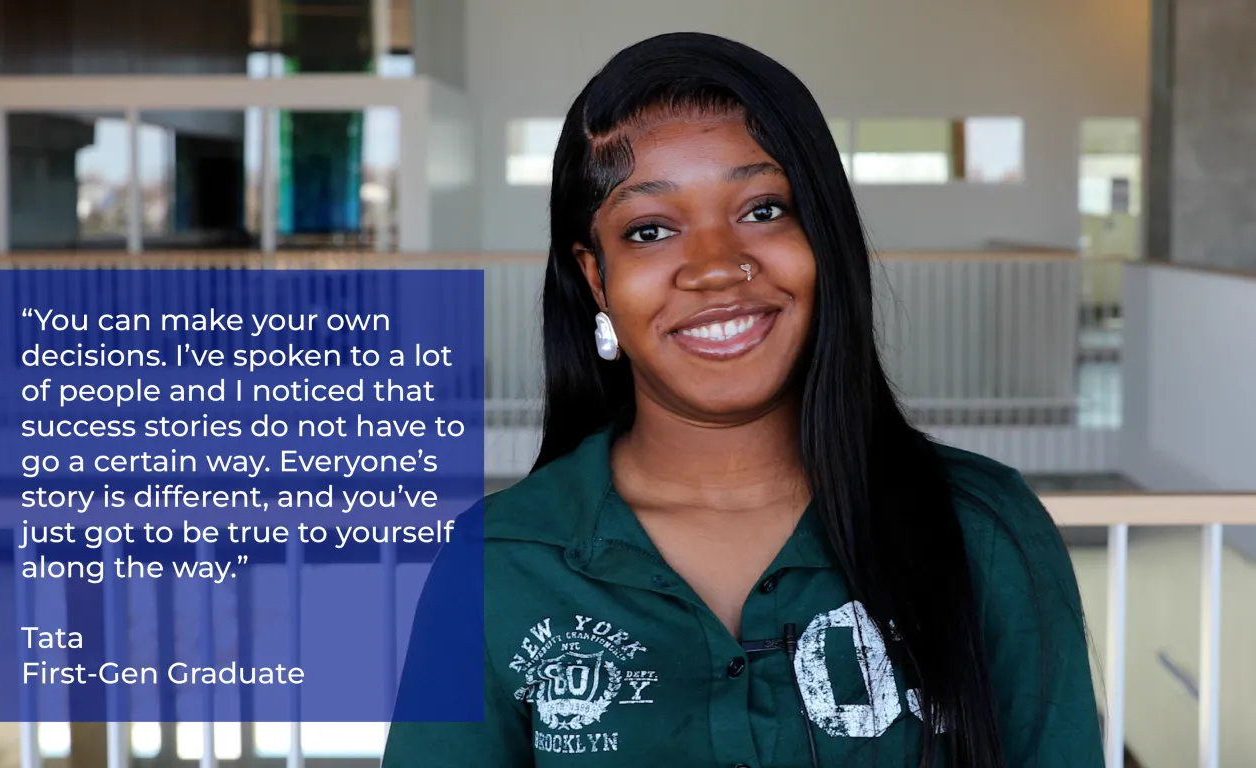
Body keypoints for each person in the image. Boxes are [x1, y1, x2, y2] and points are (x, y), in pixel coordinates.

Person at [383, 31, 1102, 767]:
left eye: (762, 210)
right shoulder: (493, 566)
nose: (717, 268)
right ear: (597, 279)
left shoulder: (986, 531)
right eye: (651, 229)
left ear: (823, 235)